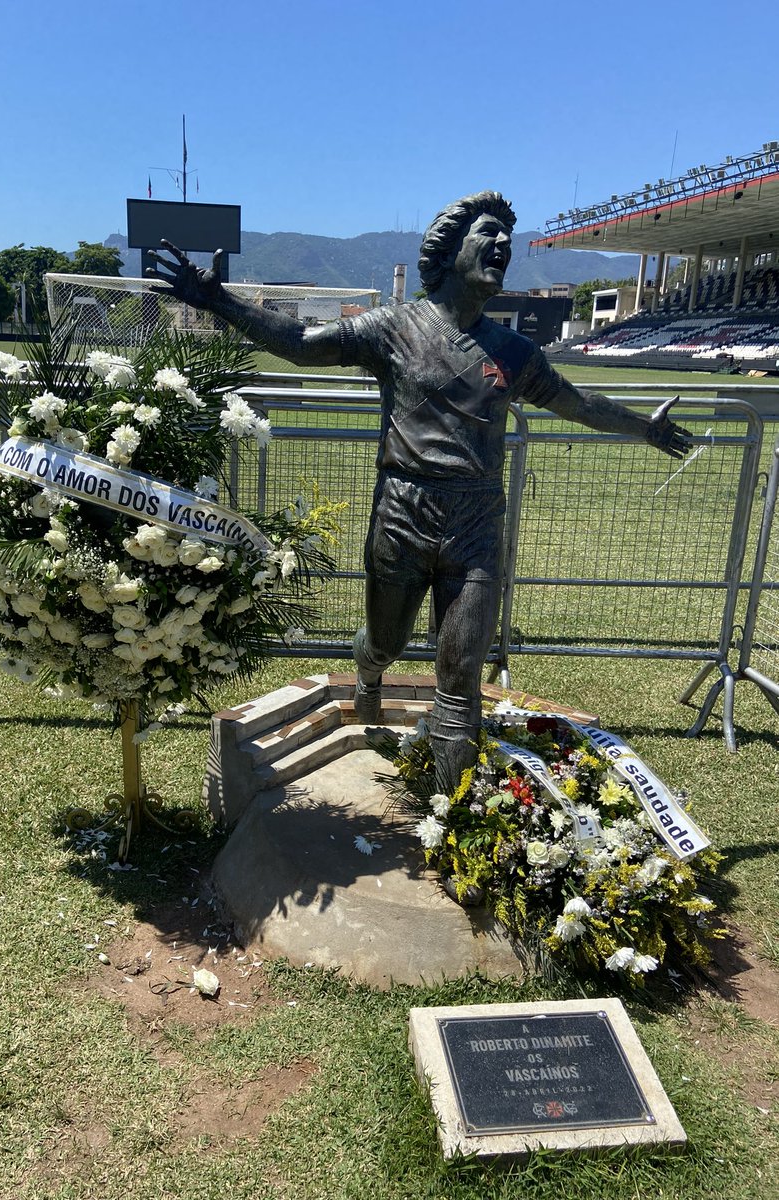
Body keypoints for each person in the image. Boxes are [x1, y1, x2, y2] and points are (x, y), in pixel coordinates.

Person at [147, 191, 691, 793]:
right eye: (488, 234)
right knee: (387, 641)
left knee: (461, 674)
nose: (503, 246)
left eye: (507, 239)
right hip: (403, 514)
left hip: (477, 522)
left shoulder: (515, 352)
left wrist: (645, 427)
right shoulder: (395, 327)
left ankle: (450, 812)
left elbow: (577, 402)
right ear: (449, 250)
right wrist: (217, 299)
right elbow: (303, 342)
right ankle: (368, 671)